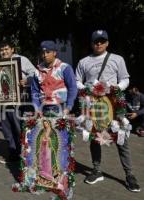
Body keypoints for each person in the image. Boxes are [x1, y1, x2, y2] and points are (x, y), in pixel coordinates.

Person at [76, 30, 141, 192]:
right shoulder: (83, 61)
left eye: (102, 40)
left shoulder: (117, 59)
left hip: (113, 103)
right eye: (96, 41)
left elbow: (125, 79)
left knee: (121, 138)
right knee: (94, 137)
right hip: (92, 104)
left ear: (107, 43)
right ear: (91, 43)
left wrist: (116, 88)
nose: (99, 43)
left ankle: (129, 174)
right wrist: (86, 88)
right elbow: (77, 80)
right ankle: (96, 170)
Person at [0, 40, 36, 164]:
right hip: (3, 100)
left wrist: (25, 80)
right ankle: (13, 154)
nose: (4, 52)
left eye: (6, 49)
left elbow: (34, 73)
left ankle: (25, 154)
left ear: (12, 49)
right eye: (2, 50)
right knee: (7, 128)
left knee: (19, 127)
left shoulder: (21, 59)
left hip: (19, 100)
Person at [31, 40, 77, 117]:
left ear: (54, 53)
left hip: (61, 107)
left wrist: (69, 107)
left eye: (48, 52)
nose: (45, 55)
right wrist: (36, 107)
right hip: (43, 109)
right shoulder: (37, 71)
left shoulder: (65, 68)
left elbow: (72, 88)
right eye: (43, 53)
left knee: (61, 129)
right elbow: (35, 91)